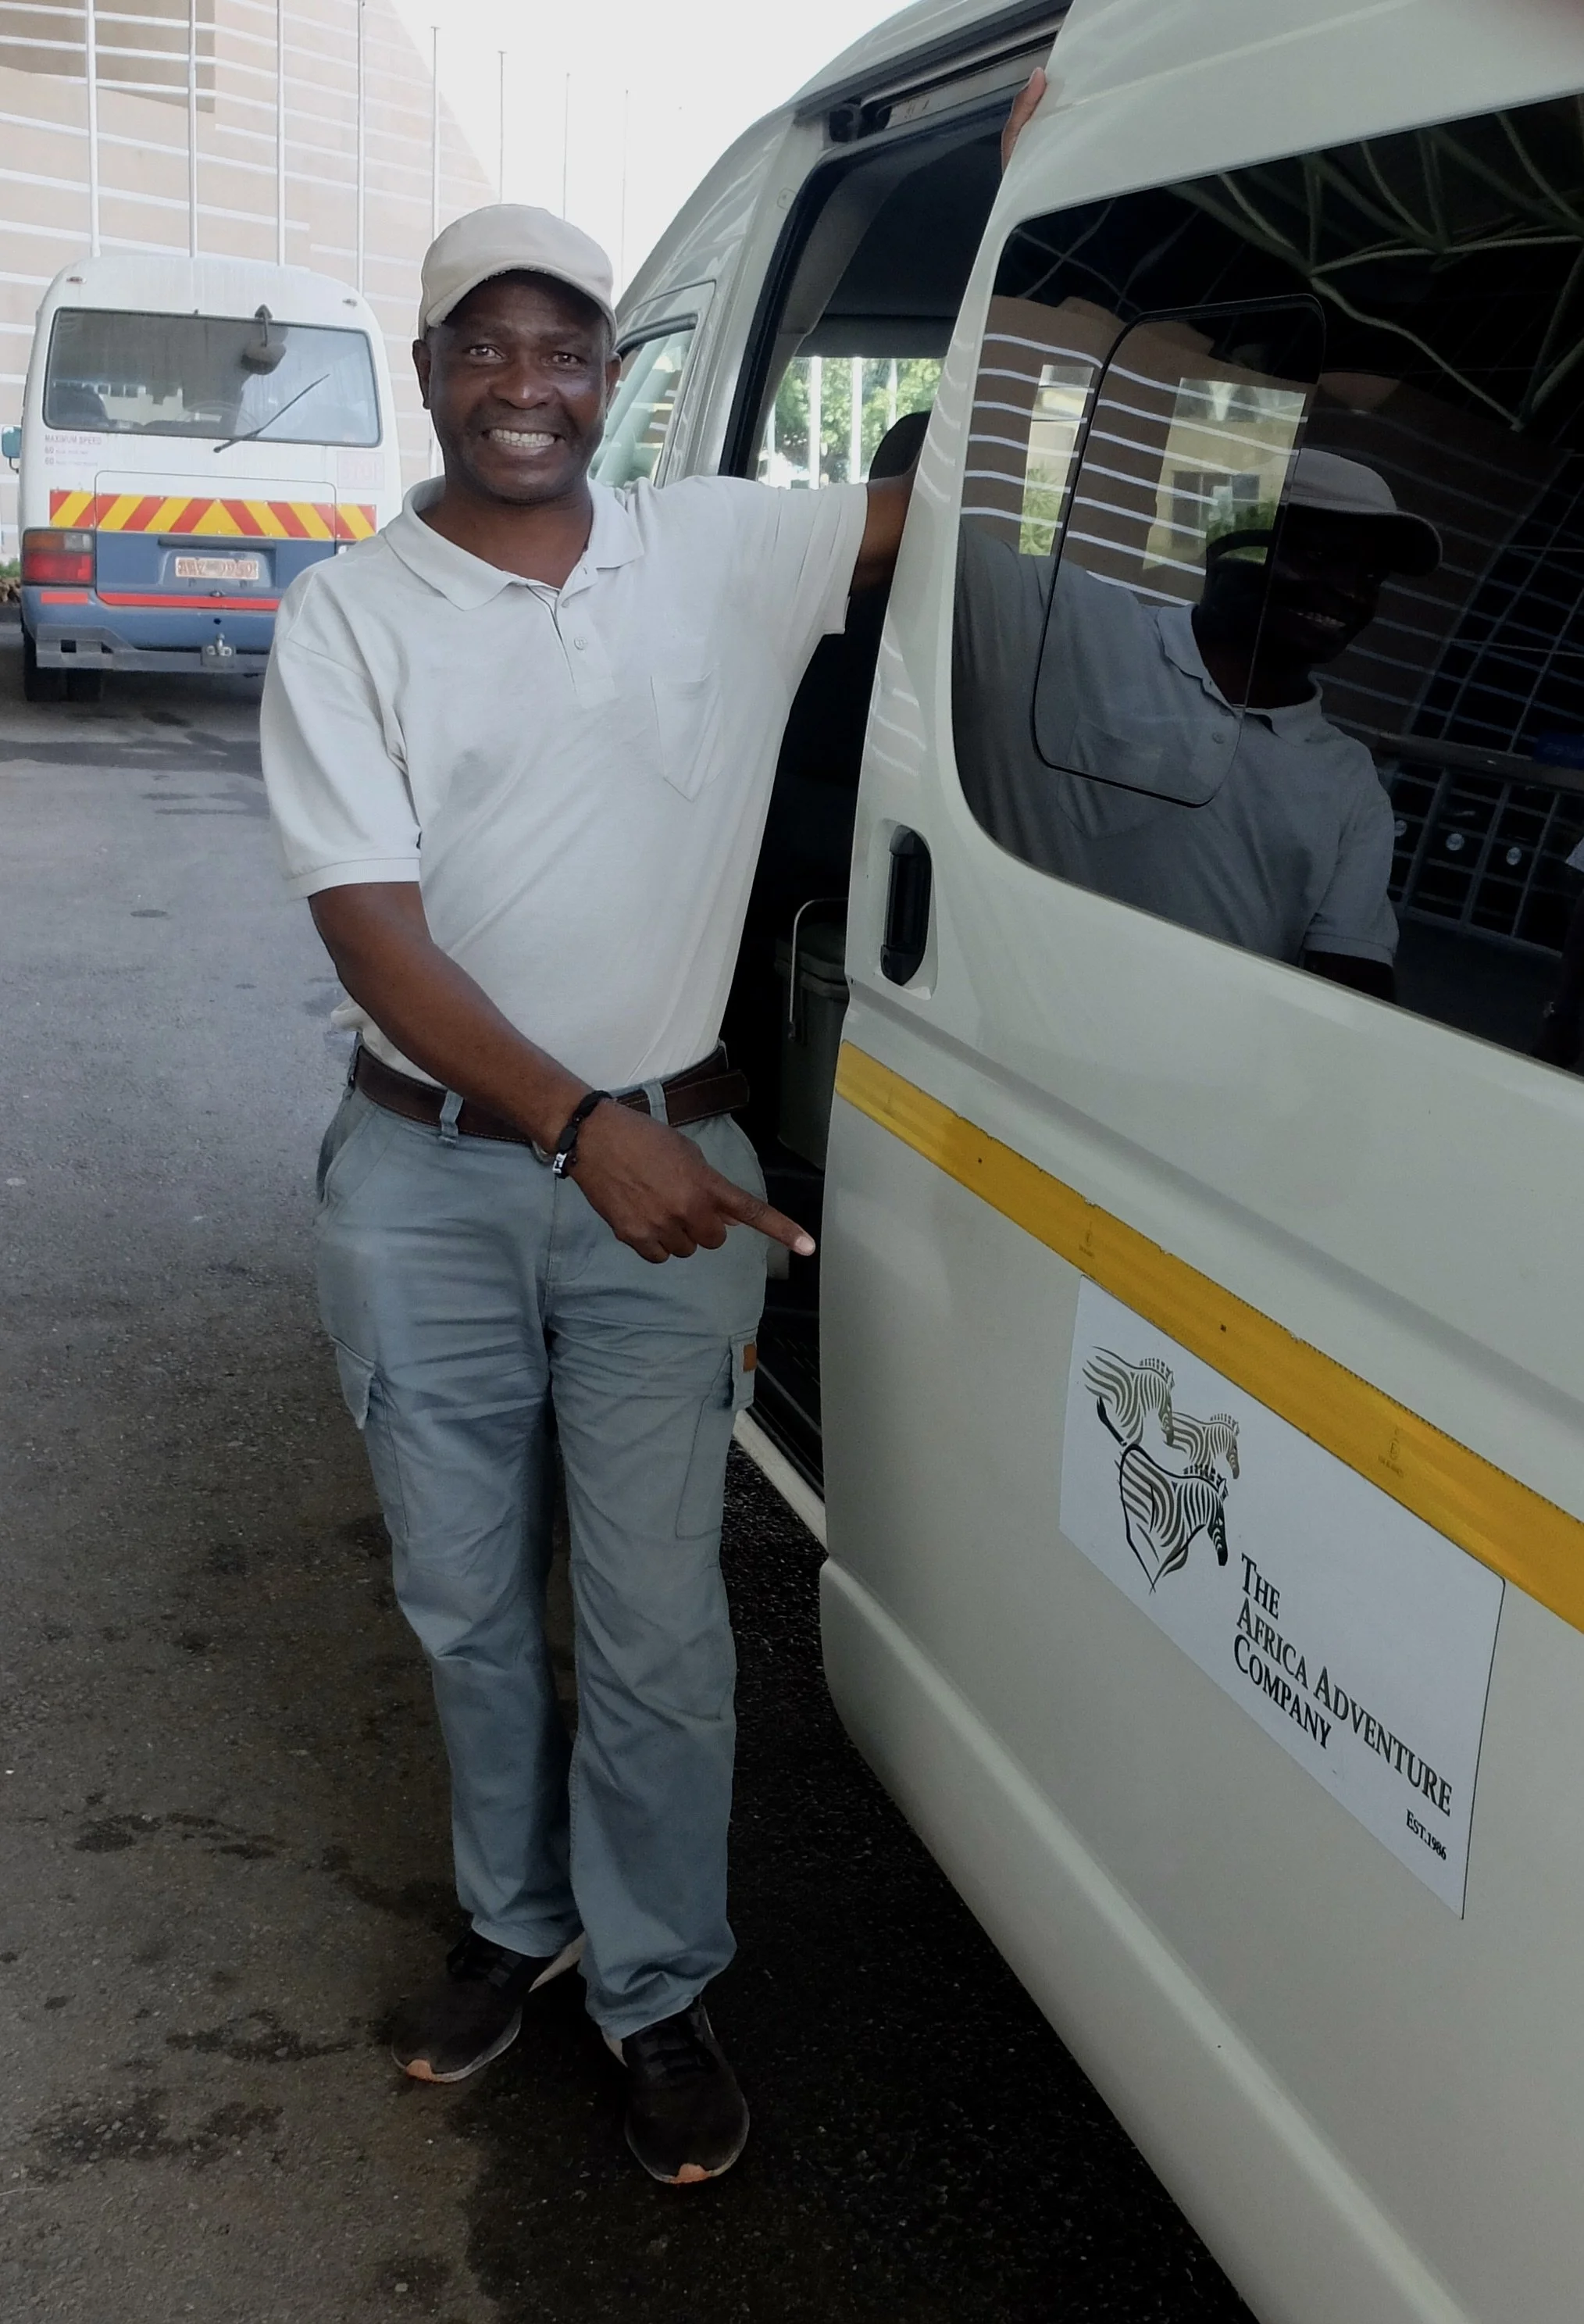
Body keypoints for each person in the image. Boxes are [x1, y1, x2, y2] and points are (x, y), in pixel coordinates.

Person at [259, 195, 927, 2188]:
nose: (525, 387)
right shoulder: (347, 615)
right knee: (468, 1602)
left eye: (565, 351)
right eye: (487, 347)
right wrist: (573, 1125)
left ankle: (651, 1983)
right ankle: (513, 1923)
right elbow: (371, 931)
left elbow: (948, 478)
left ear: (611, 376)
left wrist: (1060, 225)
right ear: (430, 371)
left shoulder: (719, 545)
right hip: (432, 1181)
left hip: (671, 1170)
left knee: (654, 1629)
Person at [954, 444, 1443, 997]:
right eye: (1319, 555)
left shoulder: (1350, 782)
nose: (1351, 592)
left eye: (1371, 576)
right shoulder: (1065, 626)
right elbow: (914, 531)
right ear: (1226, 545)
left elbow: (1353, 984)